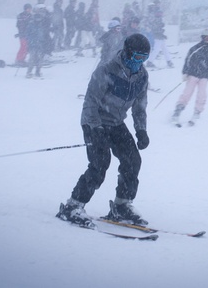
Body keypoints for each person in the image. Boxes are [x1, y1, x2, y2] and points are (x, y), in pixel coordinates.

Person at [55, 33, 151, 228]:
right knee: (100, 163)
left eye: (144, 58)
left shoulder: (142, 75)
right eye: (137, 58)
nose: (139, 63)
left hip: (116, 123)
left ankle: (121, 206)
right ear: (127, 52)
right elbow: (90, 102)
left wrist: (141, 130)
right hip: (95, 121)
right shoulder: (106, 71)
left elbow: (139, 107)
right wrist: (95, 129)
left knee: (132, 160)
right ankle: (73, 206)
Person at [171, 30, 208, 126]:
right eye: (206, 38)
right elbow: (187, 60)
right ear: (202, 38)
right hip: (193, 74)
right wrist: (185, 73)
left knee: (202, 94)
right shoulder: (195, 49)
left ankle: (197, 112)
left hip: (204, 76)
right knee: (187, 93)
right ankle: (178, 111)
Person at [145, 0, 173, 68]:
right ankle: (150, 62)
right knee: (157, 49)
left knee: (164, 48)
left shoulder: (158, 15)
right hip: (157, 34)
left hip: (159, 34)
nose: (161, 14)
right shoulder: (154, 16)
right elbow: (154, 26)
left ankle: (169, 61)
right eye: (159, 13)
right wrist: (160, 32)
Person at [26, 3, 51, 78]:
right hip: (33, 45)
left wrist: (44, 42)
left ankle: (38, 71)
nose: (38, 20)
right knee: (32, 59)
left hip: (40, 44)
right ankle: (29, 72)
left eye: (39, 19)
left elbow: (43, 35)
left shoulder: (41, 25)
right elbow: (28, 35)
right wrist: (30, 42)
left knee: (39, 59)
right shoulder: (31, 25)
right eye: (37, 19)